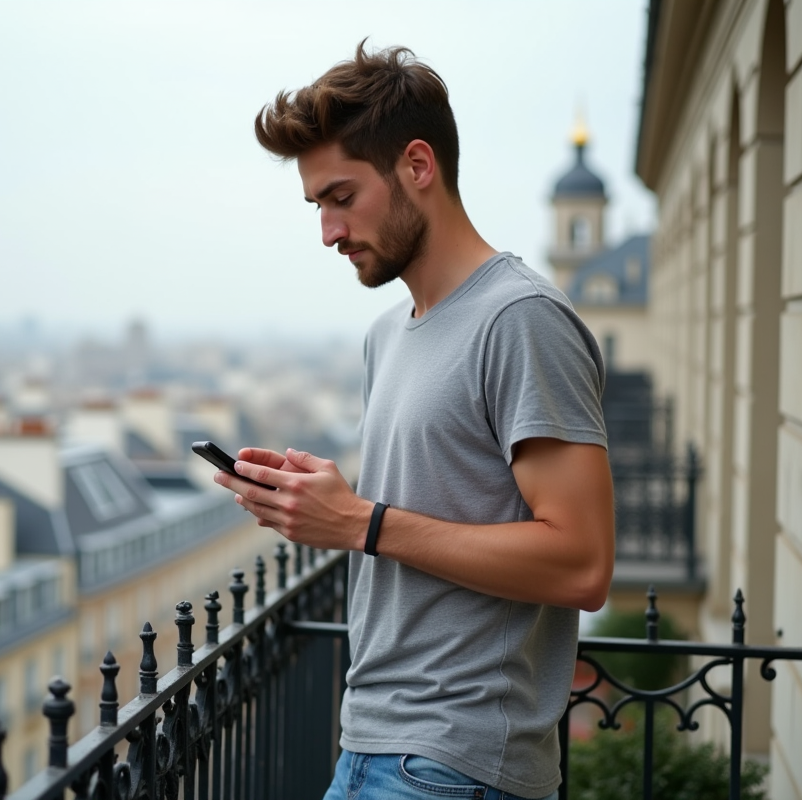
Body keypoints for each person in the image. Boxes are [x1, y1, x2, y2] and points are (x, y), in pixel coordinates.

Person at [210, 42, 615, 800]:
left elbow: (583, 564)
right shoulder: (387, 333)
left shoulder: (521, 319)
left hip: (455, 764)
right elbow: (431, 506)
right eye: (317, 207)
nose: (328, 231)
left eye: (340, 197)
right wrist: (328, 502)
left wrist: (360, 521)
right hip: (369, 742)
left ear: (418, 166)